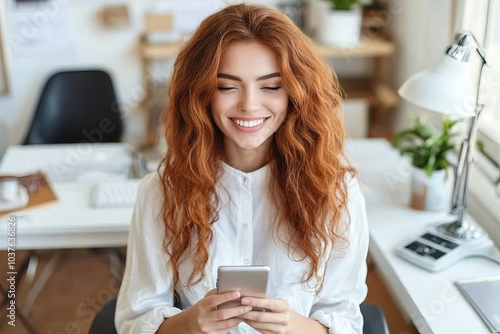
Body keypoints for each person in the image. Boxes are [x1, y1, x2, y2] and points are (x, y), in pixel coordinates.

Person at [116, 3, 368, 334]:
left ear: (296, 92)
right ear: (200, 95)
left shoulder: (336, 193)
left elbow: (346, 320)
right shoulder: (162, 192)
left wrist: (290, 326)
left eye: (271, 85)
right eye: (226, 86)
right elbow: (136, 320)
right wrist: (193, 322)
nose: (249, 104)